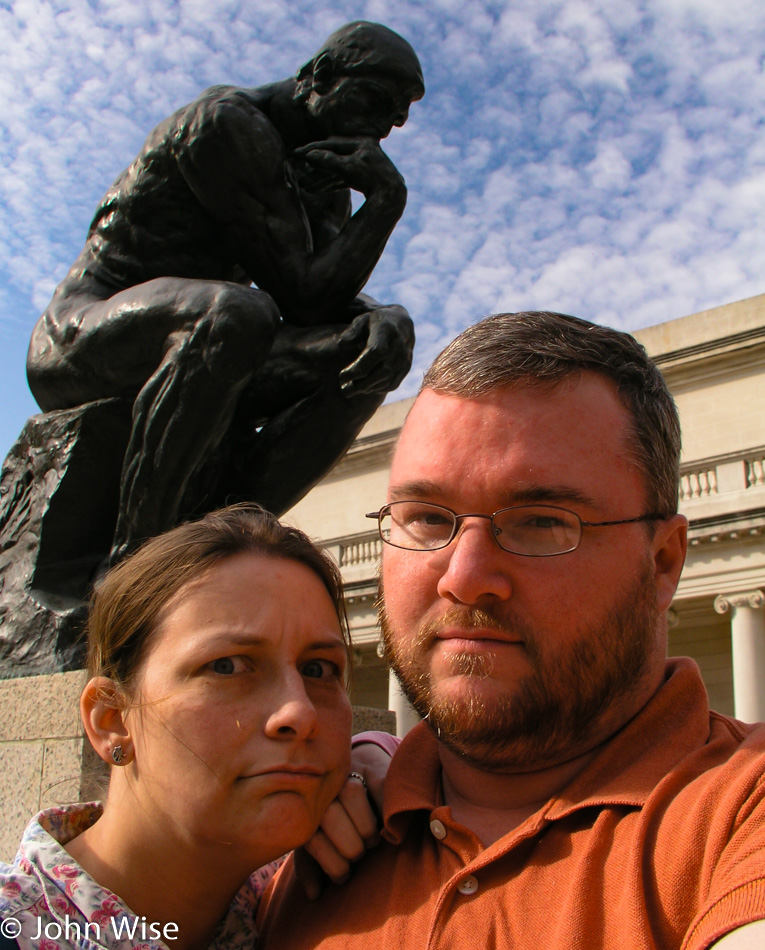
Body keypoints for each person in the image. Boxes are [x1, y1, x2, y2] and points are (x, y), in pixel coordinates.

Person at [256, 311, 765, 949]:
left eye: (542, 522)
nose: (464, 578)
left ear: (662, 561)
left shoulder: (742, 813)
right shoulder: (290, 835)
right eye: (426, 518)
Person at [26, 21, 424, 561]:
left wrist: (384, 317)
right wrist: (386, 200)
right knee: (236, 311)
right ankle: (137, 563)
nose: (381, 128)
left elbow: (324, 300)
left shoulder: (325, 185)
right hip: (80, 338)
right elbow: (302, 296)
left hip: (207, 346)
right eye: (376, 102)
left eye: (394, 120)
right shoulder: (225, 123)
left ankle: (226, 541)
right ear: (321, 75)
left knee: (372, 349)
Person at [0, 505, 389, 949]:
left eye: (319, 669)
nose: (300, 713)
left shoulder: (293, 896)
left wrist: (385, 757)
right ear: (112, 721)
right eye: (226, 666)